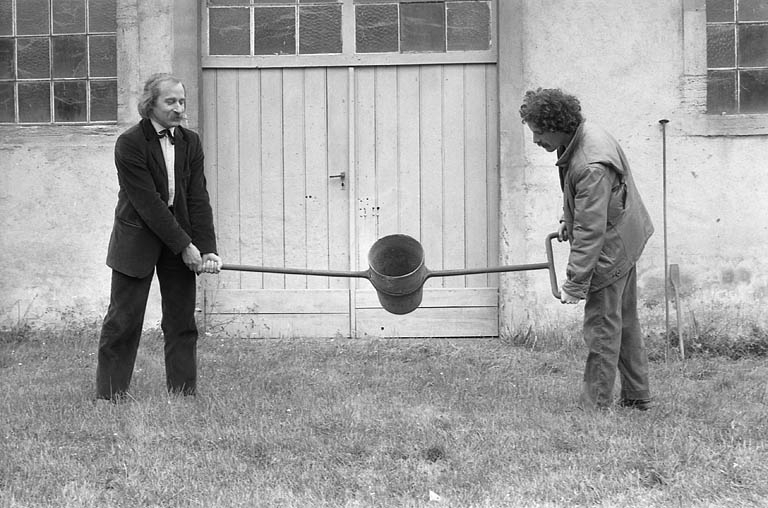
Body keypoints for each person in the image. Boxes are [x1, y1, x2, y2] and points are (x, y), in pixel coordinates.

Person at [519, 88, 654, 411]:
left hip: (612, 248)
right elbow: (587, 204)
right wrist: (569, 216)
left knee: (602, 329)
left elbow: (591, 231)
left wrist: (576, 283)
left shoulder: (591, 164)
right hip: (626, 234)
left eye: (539, 132)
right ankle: (637, 395)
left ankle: (595, 407)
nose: (536, 140)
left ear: (556, 125)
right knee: (624, 320)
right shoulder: (582, 136)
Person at [96, 73, 221, 401]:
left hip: (180, 240)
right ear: (150, 105)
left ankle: (182, 395)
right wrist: (185, 246)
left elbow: (197, 197)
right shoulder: (129, 143)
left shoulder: (190, 142)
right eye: (171, 101)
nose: (179, 108)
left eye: (182, 101)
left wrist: (206, 249)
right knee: (123, 321)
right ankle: (109, 396)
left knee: (181, 321)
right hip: (136, 240)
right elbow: (148, 204)